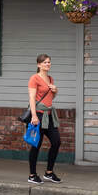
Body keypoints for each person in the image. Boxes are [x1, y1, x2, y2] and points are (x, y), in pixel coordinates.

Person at [26, 53, 60, 183]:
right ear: (39, 64)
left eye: (49, 62)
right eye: (45, 62)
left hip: (49, 115)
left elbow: (50, 98)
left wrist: (55, 90)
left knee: (56, 142)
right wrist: (34, 116)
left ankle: (49, 173)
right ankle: (32, 175)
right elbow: (32, 98)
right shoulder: (34, 78)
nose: (47, 64)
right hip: (38, 115)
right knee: (36, 145)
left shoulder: (50, 79)